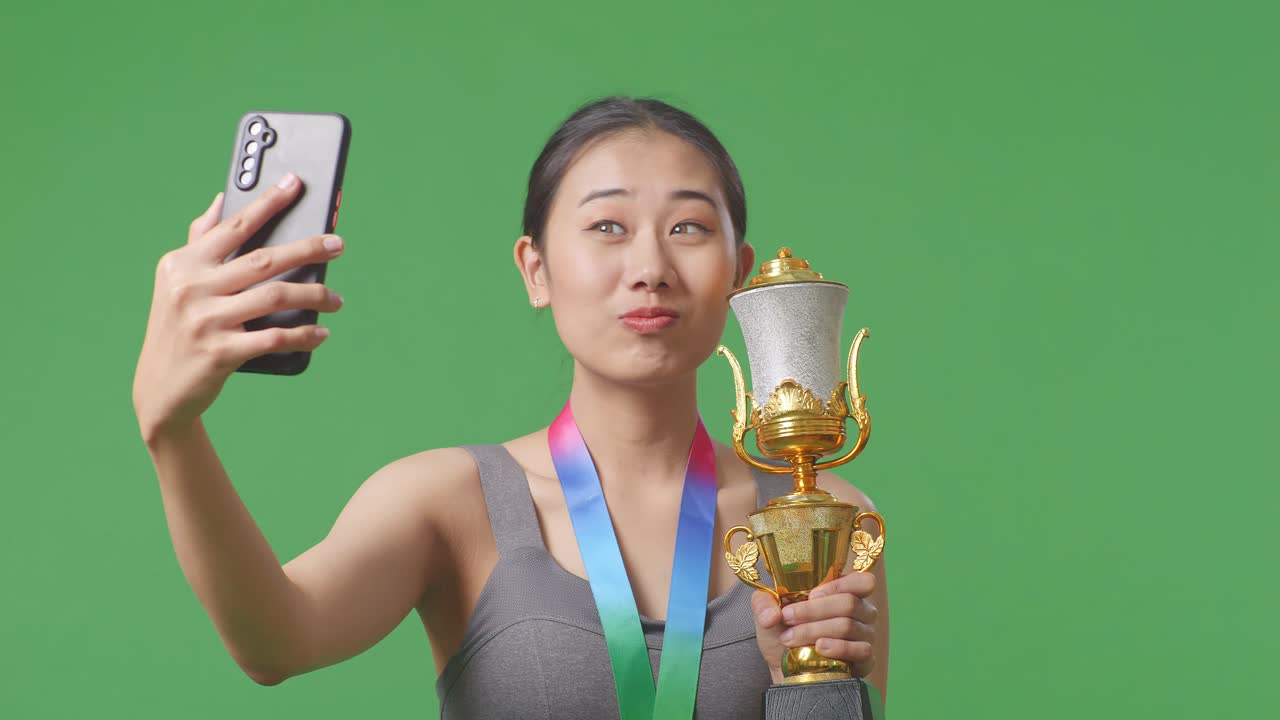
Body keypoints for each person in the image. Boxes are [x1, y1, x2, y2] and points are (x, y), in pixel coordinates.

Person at [132, 96, 889, 719]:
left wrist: (807, 683)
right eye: (607, 227)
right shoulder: (448, 502)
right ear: (536, 269)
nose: (651, 268)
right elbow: (275, 643)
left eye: (688, 227)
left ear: (739, 274)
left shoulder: (823, 519)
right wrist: (174, 432)